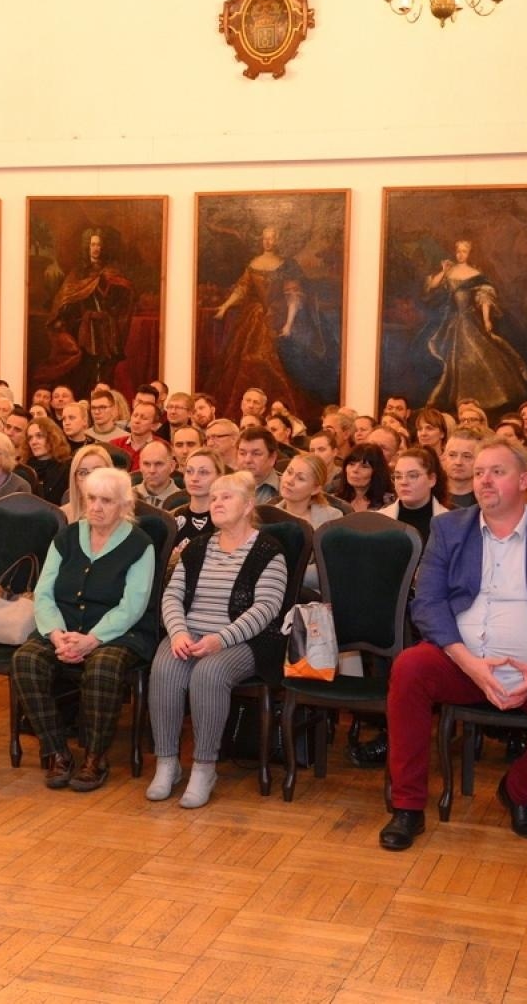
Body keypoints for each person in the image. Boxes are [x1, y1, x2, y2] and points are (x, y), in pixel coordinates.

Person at [380, 436, 527, 850]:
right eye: (480, 471)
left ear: (524, 480)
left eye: (496, 472)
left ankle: (518, 792)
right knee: (410, 668)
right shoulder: (450, 527)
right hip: (463, 663)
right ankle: (408, 805)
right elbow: (428, 605)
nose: (483, 480)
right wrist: (468, 662)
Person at [148, 471, 289, 808]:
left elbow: (266, 609)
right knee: (164, 668)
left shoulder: (268, 550)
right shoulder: (197, 548)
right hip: (190, 633)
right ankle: (167, 763)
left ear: (248, 505)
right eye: (213, 498)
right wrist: (178, 631)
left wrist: (221, 639)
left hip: (243, 640)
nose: (217, 503)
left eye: (227, 496)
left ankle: (203, 767)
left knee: (209, 674)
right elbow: (172, 595)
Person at [13, 466, 157, 791]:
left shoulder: (139, 544)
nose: (96, 507)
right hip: (62, 628)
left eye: (106, 500)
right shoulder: (67, 536)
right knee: (26, 660)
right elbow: (44, 591)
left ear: (123, 504)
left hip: (118, 631)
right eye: (91, 498)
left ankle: (95, 757)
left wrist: (92, 640)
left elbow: (132, 605)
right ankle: (58, 752)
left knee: (103, 667)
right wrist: (55, 634)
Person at [421, 239, 527, 418]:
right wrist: (443, 270)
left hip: (469, 320)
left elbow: (484, 298)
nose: (460, 254)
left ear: (471, 253)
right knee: (451, 358)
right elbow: (432, 286)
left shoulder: (476, 274)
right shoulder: (450, 271)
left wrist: (487, 319)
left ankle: (486, 401)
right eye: (458, 251)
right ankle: (451, 400)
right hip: (450, 320)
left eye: (464, 251)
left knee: (476, 355)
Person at [213, 227, 312, 424]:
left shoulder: (286, 266)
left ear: (278, 240)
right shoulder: (253, 264)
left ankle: (276, 412)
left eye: (272, 238)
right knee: (246, 360)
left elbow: (293, 296)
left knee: (272, 362)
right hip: (254, 317)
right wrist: (225, 306)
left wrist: (288, 324)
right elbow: (242, 289)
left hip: (278, 316)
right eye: (265, 238)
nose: (268, 241)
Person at [39, 229, 134, 393]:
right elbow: (66, 298)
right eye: (93, 245)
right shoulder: (78, 273)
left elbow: (123, 296)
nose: (96, 248)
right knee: (84, 368)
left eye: (99, 245)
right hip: (82, 329)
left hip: (106, 330)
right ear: (87, 247)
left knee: (104, 368)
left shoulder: (112, 272)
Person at [380, 447, 451, 552]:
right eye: (398, 476)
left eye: (412, 476)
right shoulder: (381, 518)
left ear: (432, 479)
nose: (403, 482)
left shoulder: (449, 522)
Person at [25, 416, 73, 505]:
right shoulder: (25, 469)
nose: (33, 442)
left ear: (52, 437)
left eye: (39, 436)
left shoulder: (67, 467)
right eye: (30, 438)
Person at [61, 444, 114, 522]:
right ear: (75, 480)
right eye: (83, 473)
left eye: (97, 471)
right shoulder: (62, 515)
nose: (90, 478)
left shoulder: (122, 513)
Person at [334, 442, 391, 513]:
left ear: (377, 472)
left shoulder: (389, 503)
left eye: (364, 466)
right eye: (351, 464)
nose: (355, 470)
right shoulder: (334, 500)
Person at [442, 427, 481, 508]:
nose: (458, 462)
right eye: (452, 455)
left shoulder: (486, 498)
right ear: (444, 458)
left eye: (467, 456)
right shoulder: (430, 496)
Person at [133, 440, 180, 507]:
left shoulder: (184, 501)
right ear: (140, 465)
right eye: (146, 464)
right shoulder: (126, 498)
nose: (152, 470)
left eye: (159, 464)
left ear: (172, 466)